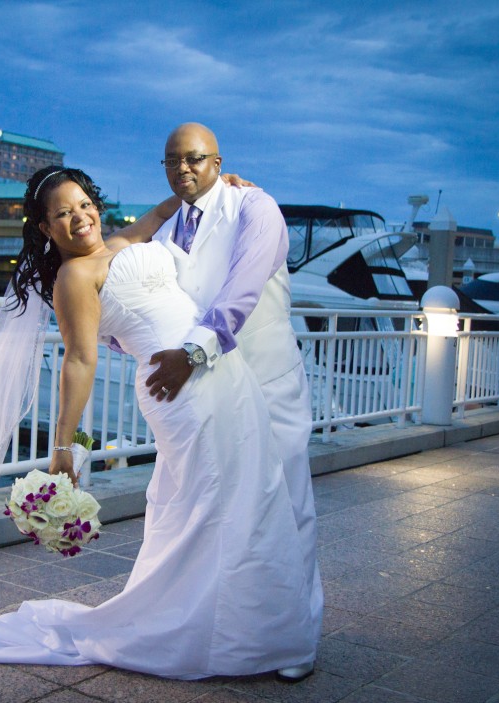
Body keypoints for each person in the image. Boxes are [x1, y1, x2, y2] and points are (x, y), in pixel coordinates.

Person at [0, 166, 315, 680]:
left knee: (255, 496)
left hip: (223, 373)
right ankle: (211, 633)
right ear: (45, 229)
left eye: (83, 205)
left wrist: (221, 183)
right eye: (62, 215)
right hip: (178, 391)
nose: (79, 219)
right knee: (211, 504)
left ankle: (256, 633)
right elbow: (78, 361)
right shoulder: (73, 277)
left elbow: (168, 209)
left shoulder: (119, 242)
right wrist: (65, 450)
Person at [123, 122, 322, 682]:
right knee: (224, 511)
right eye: (172, 161)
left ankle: (298, 639)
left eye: (194, 158)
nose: (183, 168)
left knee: (287, 504)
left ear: (217, 159)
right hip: (210, 393)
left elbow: (244, 287)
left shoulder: (256, 208)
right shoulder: (168, 232)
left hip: (265, 378)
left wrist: (193, 351)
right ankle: (239, 633)